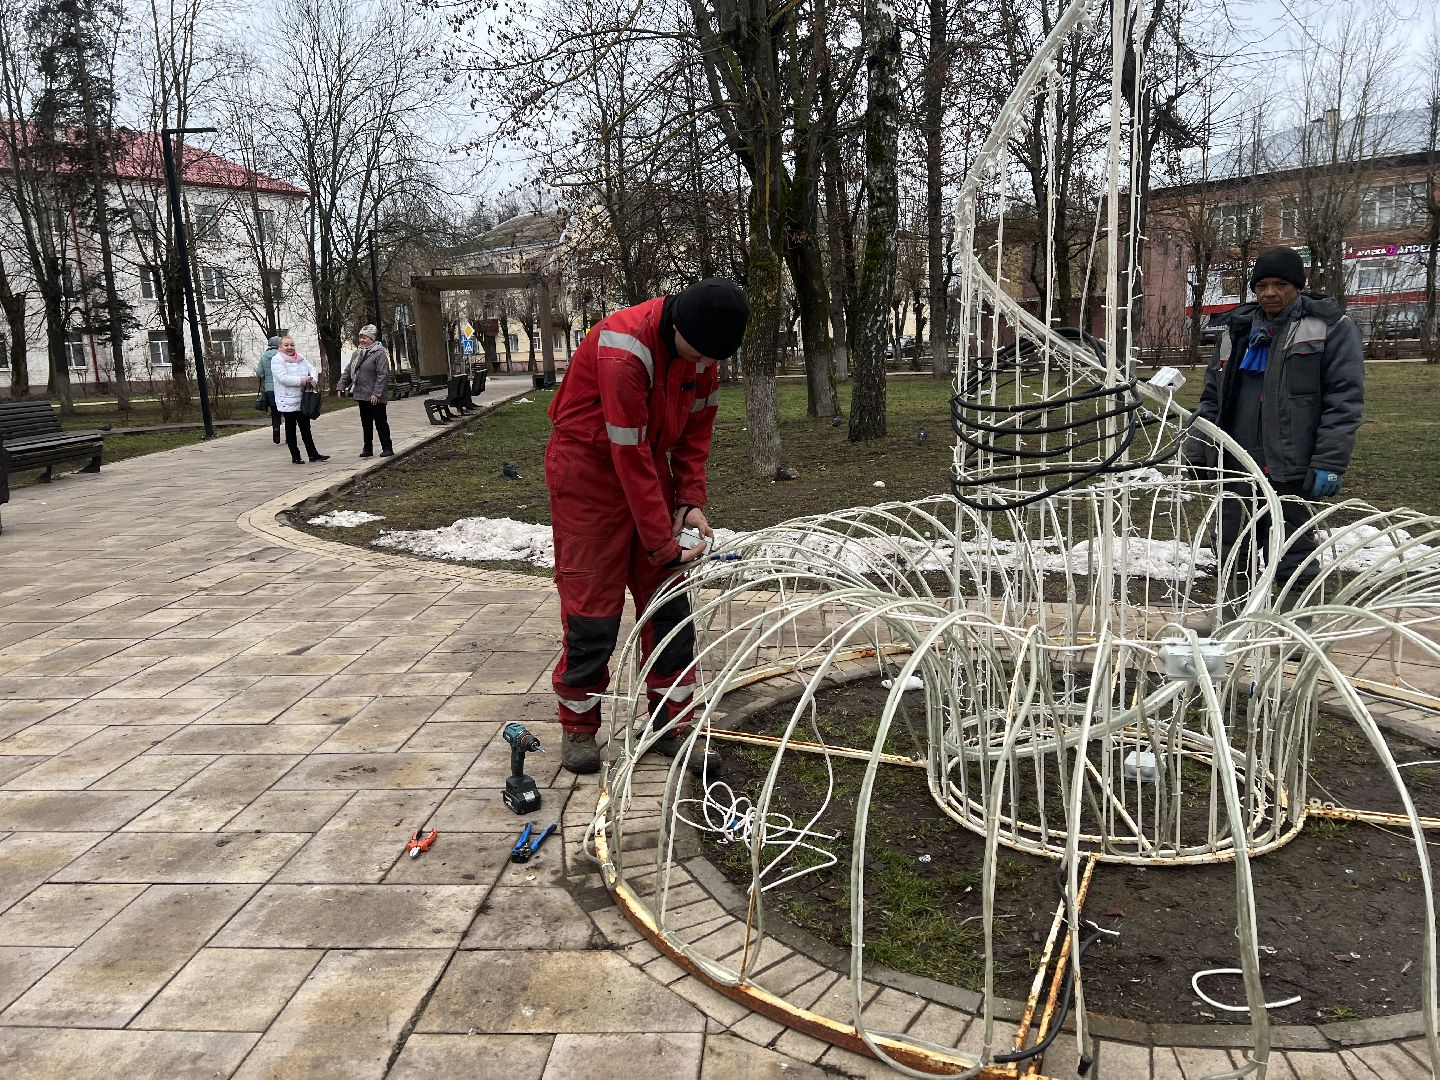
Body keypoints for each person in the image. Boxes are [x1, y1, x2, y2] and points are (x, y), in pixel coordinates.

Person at [546, 278, 749, 774]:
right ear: (679, 326)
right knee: (592, 612)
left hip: (644, 468)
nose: (704, 368)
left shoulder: (703, 351)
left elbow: (696, 435)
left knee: (670, 607)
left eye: (711, 360)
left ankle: (671, 724)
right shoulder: (624, 351)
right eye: (698, 356)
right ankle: (578, 727)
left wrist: (690, 501)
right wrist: (660, 541)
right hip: (589, 477)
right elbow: (627, 451)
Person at [1185, 246, 1364, 624]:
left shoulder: (1328, 327)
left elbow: (1344, 400)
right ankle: (1232, 616)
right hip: (1237, 460)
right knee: (1233, 543)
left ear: (1299, 286)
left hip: (1291, 460)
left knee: (1292, 543)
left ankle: (1293, 621)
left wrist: (1329, 461)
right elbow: (1212, 397)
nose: (1269, 293)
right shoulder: (1237, 330)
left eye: (1280, 284)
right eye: (1262, 285)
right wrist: (1198, 448)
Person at [271, 335, 330, 465]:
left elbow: (312, 369)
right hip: (287, 400)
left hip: (302, 399)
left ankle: (313, 454)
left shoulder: (300, 358)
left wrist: (312, 379)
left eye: (292, 345)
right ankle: (295, 456)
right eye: (286, 345)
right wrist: (303, 380)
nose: (290, 347)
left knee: (306, 429)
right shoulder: (277, 360)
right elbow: (283, 378)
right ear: (280, 347)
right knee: (291, 430)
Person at [338, 324, 393, 458]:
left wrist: (376, 393)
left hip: (375, 396)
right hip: (361, 394)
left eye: (365, 337)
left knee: (380, 422)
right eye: (361, 337)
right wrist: (340, 386)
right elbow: (348, 371)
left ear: (372, 339)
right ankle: (367, 448)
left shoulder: (379, 354)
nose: (362, 340)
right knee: (366, 424)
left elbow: (383, 375)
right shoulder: (357, 354)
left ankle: (387, 448)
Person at [255, 335, 282, 444]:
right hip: (282, 388)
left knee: (275, 412)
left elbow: (259, 372)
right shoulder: (282, 355)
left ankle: (276, 428)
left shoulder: (264, 356)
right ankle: (290, 434)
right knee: (288, 411)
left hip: (269, 390)